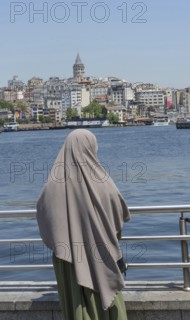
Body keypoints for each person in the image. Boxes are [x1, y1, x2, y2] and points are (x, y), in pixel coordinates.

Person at [36, 129, 131, 319]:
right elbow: (116, 216)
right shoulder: (104, 182)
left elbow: (44, 215)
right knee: (110, 303)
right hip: (103, 253)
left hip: (68, 257)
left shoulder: (52, 186)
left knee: (76, 302)